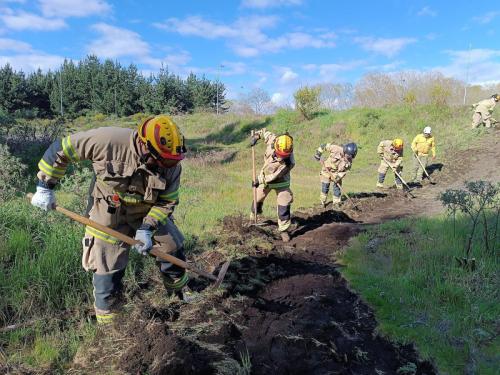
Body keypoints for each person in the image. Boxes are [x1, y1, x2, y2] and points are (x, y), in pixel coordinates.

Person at [31, 115, 189, 324]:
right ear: (143, 145)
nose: (164, 165)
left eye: (169, 161)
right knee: (106, 264)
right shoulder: (108, 140)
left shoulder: (171, 165)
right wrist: (45, 187)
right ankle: (110, 326)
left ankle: (180, 297)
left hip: (145, 211)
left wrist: (147, 228)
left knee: (171, 247)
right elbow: (62, 149)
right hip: (107, 210)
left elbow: (167, 202)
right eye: (160, 159)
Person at [250, 129, 294, 242]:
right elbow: (264, 132)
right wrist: (256, 136)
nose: (281, 157)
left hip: (281, 181)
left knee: (284, 203)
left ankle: (283, 230)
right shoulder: (273, 140)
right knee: (257, 198)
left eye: (283, 156)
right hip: (265, 176)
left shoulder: (290, 162)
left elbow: (274, 176)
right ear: (276, 146)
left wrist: (259, 180)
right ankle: (254, 219)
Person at [314, 142, 357, 207]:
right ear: (345, 151)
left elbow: (344, 172)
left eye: (350, 157)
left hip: (337, 174)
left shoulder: (349, 162)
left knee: (337, 189)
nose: (348, 158)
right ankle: (322, 203)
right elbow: (324, 145)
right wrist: (318, 153)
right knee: (325, 187)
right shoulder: (336, 149)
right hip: (326, 171)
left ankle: (336, 203)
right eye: (348, 156)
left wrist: (338, 177)